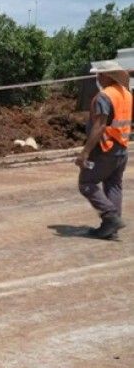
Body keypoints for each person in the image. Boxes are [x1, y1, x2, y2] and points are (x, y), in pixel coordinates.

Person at [75, 60, 132, 240]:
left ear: (107, 76)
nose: (98, 78)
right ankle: (111, 228)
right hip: (122, 147)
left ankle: (110, 217)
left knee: (86, 183)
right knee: (113, 184)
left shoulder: (104, 97)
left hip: (105, 148)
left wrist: (85, 153)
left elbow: (99, 126)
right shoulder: (126, 94)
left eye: (99, 74)